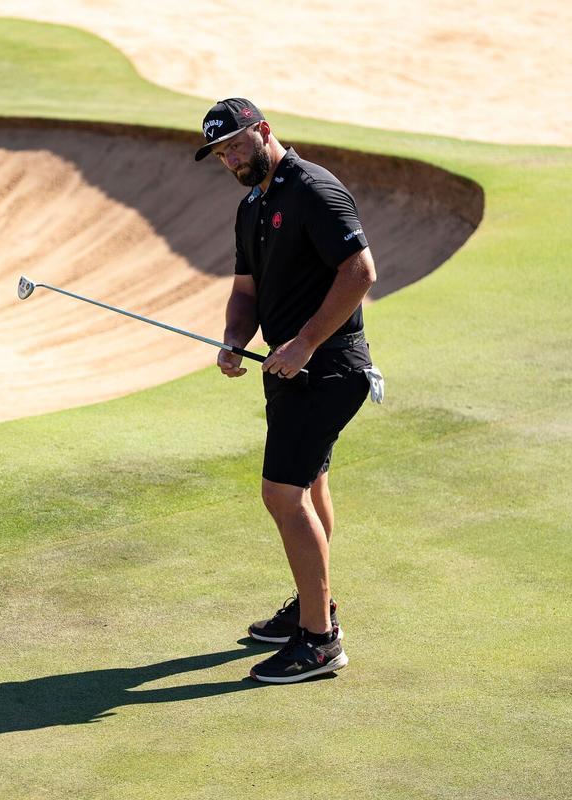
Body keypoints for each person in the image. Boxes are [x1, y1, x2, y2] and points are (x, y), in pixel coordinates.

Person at [194, 98, 383, 684]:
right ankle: (313, 609)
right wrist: (233, 338)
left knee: (282, 493)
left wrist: (302, 342)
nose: (229, 160)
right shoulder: (253, 206)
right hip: (290, 372)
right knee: (309, 484)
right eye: (220, 153)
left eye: (234, 146)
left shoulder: (313, 189)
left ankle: (320, 642)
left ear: (263, 132)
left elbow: (360, 273)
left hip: (327, 368)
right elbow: (246, 290)